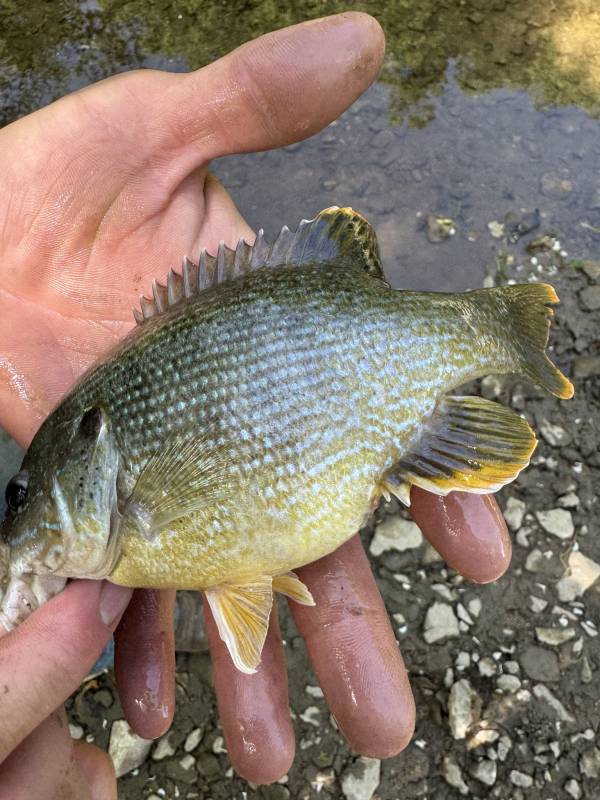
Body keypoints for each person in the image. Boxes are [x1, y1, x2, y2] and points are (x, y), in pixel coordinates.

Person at [0, 12, 512, 798]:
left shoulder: (121, 493)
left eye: (22, 498)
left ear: (87, 447)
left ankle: (502, 328)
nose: (19, 520)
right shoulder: (105, 483)